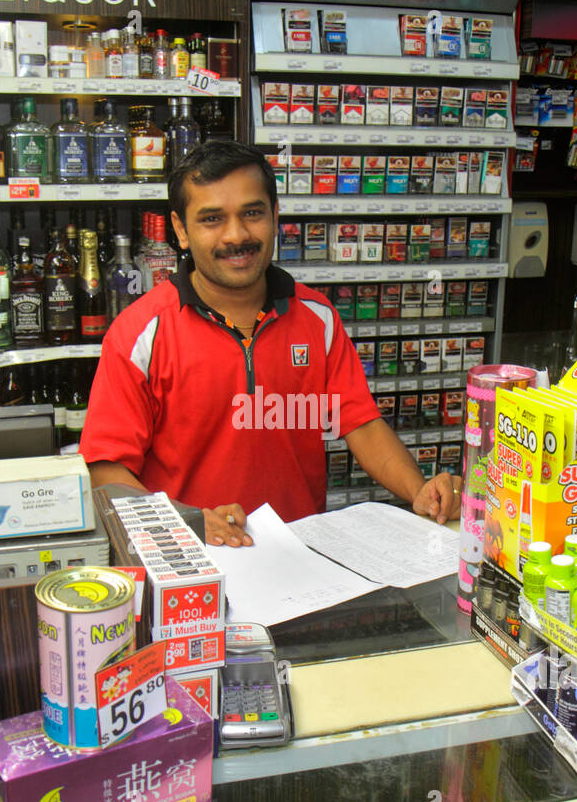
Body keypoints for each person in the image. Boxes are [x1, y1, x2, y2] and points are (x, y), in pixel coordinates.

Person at [79, 140, 461, 546]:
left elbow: (360, 423)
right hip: (188, 562)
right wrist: (186, 522)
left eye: (252, 213)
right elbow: (105, 469)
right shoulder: (141, 333)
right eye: (212, 219)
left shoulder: (318, 317)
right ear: (180, 230)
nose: (236, 235)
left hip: (301, 557)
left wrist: (418, 490)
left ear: (275, 215)